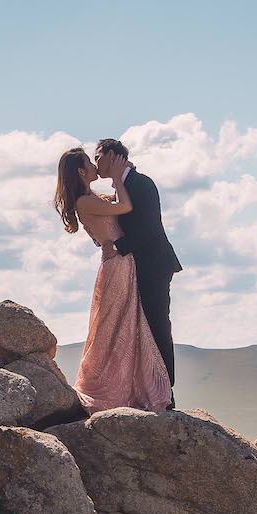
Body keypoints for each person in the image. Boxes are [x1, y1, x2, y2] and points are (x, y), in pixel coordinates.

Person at [54, 146, 173, 414]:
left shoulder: (91, 197)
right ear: (82, 171)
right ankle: (108, 387)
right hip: (117, 266)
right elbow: (125, 206)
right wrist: (118, 177)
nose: (96, 165)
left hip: (123, 263)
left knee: (126, 323)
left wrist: (122, 175)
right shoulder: (85, 202)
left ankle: (133, 385)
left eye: (97, 157)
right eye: (90, 161)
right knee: (113, 326)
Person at [94, 136, 181, 402]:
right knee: (138, 326)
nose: (96, 163)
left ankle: (166, 390)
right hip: (133, 267)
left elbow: (149, 227)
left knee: (156, 323)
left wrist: (117, 247)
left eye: (98, 156)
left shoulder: (141, 183)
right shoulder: (123, 186)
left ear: (112, 156)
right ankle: (144, 388)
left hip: (153, 265)